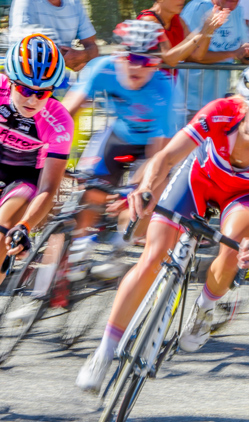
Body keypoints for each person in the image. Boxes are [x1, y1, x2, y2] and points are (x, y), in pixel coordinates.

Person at [76, 63, 249, 392]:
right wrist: (145, 188)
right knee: (153, 257)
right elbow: (166, 158)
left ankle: (205, 308)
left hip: (245, 196)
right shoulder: (221, 113)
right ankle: (104, 351)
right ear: (245, 104)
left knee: (234, 243)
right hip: (199, 180)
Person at [62, 20, 173, 280]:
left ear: (156, 64)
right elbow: (67, 111)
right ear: (120, 54)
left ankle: (119, 247)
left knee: (145, 195)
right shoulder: (102, 68)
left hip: (149, 146)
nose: (137, 66)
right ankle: (81, 243)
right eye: (132, 57)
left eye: (147, 61)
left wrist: (135, 189)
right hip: (118, 135)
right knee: (93, 187)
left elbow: (158, 155)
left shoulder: (164, 89)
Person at [0, 34, 74, 286]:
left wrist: (25, 225)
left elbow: (48, 188)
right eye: (25, 89)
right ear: (10, 80)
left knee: (4, 231)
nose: (33, 100)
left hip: (25, 180)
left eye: (43, 93)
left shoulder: (60, 121)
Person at [175, 0, 249, 121]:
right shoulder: (198, 7)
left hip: (218, 103)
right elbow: (189, 55)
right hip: (190, 103)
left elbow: (243, 54)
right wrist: (232, 53)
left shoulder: (238, 10)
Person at [136, 0, 231, 70]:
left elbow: (197, 55)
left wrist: (210, 28)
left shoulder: (178, 20)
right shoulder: (148, 20)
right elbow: (170, 59)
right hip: (143, 89)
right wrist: (204, 31)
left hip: (164, 89)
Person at [9, 0, 98, 72]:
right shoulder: (25, 2)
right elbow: (21, 48)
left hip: (63, 81)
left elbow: (93, 48)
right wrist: (62, 58)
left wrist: (83, 55)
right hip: (31, 83)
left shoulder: (75, 3)